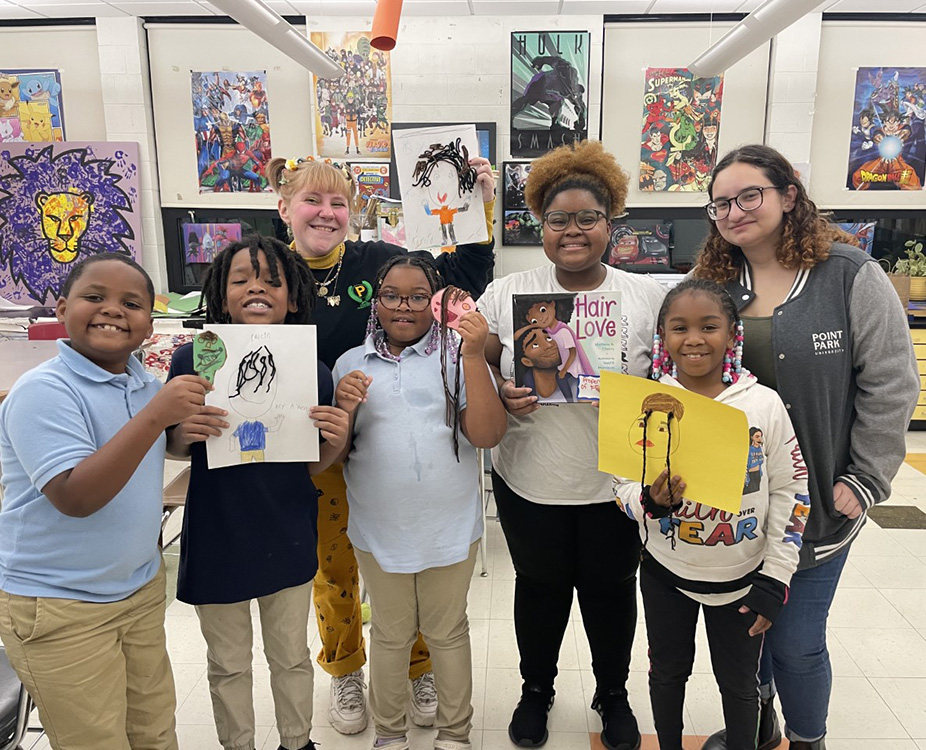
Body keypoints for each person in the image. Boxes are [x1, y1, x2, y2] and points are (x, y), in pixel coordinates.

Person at [694, 144, 918, 750]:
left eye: (749, 196)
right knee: (750, 630)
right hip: (737, 502)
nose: (734, 211)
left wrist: (868, 477)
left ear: (789, 195)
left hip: (819, 500)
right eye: (720, 203)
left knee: (796, 639)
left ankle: (807, 738)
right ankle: (761, 726)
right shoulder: (711, 283)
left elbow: (891, 382)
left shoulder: (848, 274)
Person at [267, 154, 496, 733]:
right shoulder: (267, 269)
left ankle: (419, 666)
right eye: (312, 201)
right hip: (304, 444)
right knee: (334, 568)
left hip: (379, 440)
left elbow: (457, 279)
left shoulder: (376, 261)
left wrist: (478, 205)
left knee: (404, 561)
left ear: (353, 211)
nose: (326, 213)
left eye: (338, 202)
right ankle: (346, 669)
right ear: (283, 207)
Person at [479, 140, 666, 750]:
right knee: (538, 589)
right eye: (558, 219)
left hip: (617, 483)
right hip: (530, 477)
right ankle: (537, 690)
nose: (574, 230)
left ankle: (612, 692)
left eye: (589, 217)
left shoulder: (644, 298)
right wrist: (501, 390)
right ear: (540, 224)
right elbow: (473, 359)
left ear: (611, 221)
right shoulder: (509, 292)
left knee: (613, 593)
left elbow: (676, 380)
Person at [0, 254, 210, 750]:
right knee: (96, 740)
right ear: (61, 308)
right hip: (59, 604)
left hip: (135, 591)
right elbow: (76, 495)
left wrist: (180, 437)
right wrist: (157, 417)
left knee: (154, 730)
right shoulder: (43, 391)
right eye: (95, 297)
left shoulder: (141, 383)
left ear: (149, 326)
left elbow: (143, 449)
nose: (112, 310)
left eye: (131, 303)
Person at [166, 235, 351, 750]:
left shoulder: (312, 372)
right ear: (221, 294)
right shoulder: (191, 359)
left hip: (286, 526)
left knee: (290, 654)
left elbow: (314, 464)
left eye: (272, 281)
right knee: (227, 661)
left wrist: (337, 436)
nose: (256, 289)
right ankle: (238, 744)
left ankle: (297, 741)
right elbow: (175, 447)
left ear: (294, 297)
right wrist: (184, 432)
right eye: (241, 279)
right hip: (216, 529)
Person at [612, 278, 810, 750]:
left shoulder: (763, 404)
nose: (694, 338)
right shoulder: (643, 403)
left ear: (732, 333)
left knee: (740, 684)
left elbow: (792, 489)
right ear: (663, 336)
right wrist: (648, 502)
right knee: (667, 672)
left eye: (709, 326)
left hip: (744, 578)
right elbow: (619, 484)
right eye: (679, 327)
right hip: (666, 571)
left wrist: (776, 576)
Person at [334, 255, 507, 750]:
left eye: (416, 296)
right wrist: (343, 407)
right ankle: (390, 732)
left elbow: (489, 433)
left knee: (447, 632)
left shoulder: (457, 355)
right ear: (376, 300)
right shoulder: (352, 364)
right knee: (390, 634)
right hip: (378, 530)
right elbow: (337, 454)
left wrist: (474, 357)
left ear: (436, 303)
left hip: (449, 528)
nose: (403, 306)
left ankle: (455, 734)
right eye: (391, 294)